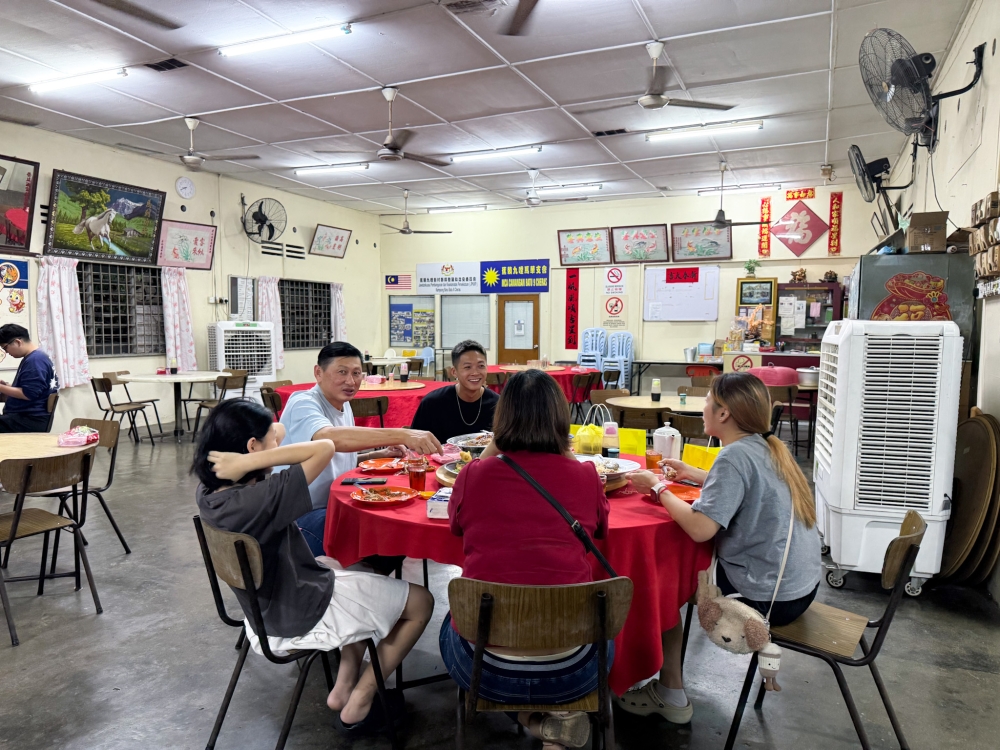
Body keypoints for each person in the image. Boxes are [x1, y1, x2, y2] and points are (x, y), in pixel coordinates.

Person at [193, 399, 434, 734]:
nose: (279, 443)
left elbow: (278, 428)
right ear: (252, 449)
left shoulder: (209, 490)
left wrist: (250, 455)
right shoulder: (260, 499)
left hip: (265, 611)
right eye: (270, 445)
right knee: (422, 602)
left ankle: (343, 685)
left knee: (358, 569)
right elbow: (324, 448)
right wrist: (257, 457)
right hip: (299, 610)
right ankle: (361, 699)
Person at [622, 372, 821, 724]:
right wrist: (695, 474)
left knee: (668, 585)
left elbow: (700, 529)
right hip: (798, 588)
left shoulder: (732, 458)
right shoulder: (766, 446)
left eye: (708, 400)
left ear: (724, 412)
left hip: (766, 598)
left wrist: (656, 487)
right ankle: (667, 684)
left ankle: (669, 692)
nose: (703, 407)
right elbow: (745, 487)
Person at [440, 369, 611, 750]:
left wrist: (492, 447)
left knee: (450, 619)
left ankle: (535, 722)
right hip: (576, 669)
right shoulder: (586, 477)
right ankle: (552, 721)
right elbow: (600, 529)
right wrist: (562, 448)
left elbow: (454, 526)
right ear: (561, 419)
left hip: (487, 668)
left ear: (501, 421)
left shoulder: (473, 476)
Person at [278, 341, 442, 556]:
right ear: (318, 372)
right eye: (342, 372)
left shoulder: (343, 405)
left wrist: (379, 454)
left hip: (334, 504)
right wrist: (403, 434)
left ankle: (373, 579)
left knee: (395, 521)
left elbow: (334, 461)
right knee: (383, 535)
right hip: (300, 518)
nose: (351, 381)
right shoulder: (303, 402)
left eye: (357, 373)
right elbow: (328, 440)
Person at [410, 340, 498, 443]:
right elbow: (414, 447)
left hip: (486, 459)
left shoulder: (498, 404)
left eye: (481, 366)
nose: (475, 372)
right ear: (454, 372)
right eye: (467, 367)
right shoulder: (432, 403)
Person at [0, 324, 59, 433]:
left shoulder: (35, 360)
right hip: (26, 417)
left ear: (18, 342)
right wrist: (6, 387)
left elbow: (28, 394)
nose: (7, 353)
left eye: (5, 348)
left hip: (30, 419)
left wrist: (1, 388)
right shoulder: (36, 357)